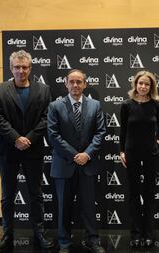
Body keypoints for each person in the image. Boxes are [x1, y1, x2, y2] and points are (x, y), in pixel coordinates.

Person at [0, 50, 53, 252]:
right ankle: (7, 235)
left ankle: (39, 233)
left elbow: (46, 118)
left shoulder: (43, 90)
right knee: (7, 196)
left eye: (25, 67)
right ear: (11, 68)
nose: (21, 70)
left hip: (33, 148)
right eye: (17, 67)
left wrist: (29, 138)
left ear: (30, 68)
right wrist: (16, 138)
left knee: (36, 194)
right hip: (9, 149)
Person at [47, 69, 107, 253]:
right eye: (71, 82)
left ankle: (92, 240)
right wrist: (75, 155)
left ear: (85, 84)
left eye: (79, 82)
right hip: (64, 165)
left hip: (87, 165)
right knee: (64, 207)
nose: (75, 85)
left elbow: (100, 132)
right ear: (65, 83)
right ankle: (64, 242)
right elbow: (53, 135)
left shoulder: (95, 105)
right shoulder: (55, 106)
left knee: (89, 206)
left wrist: (86, 154)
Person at [119, 71, 159, 248]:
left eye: (147, 84)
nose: (143, 87)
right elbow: (123, 130)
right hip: (132, 153)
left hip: (150, 153)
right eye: (140, 83)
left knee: (150, 194)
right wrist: (121, 151)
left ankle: (148, 233)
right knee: (134, 195)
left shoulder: (156, 105)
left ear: (151, 87)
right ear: (135, 85)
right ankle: (136, 233)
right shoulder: (126, 105)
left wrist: (158, 140)